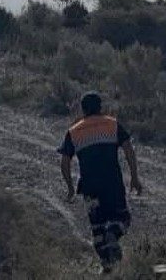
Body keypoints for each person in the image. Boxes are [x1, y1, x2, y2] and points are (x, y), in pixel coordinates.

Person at [57, 92, 143, 274]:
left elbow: (64, 162)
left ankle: (108, 268)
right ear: (100, 107)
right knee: (122, 218)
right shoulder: (112, 124)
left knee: (97, 229)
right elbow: (129, 149)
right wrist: (134, 177)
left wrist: (70, 188)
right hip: (112, 183)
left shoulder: (74, 131)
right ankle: (113, 234)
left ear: (83, 109)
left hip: (90, 188)